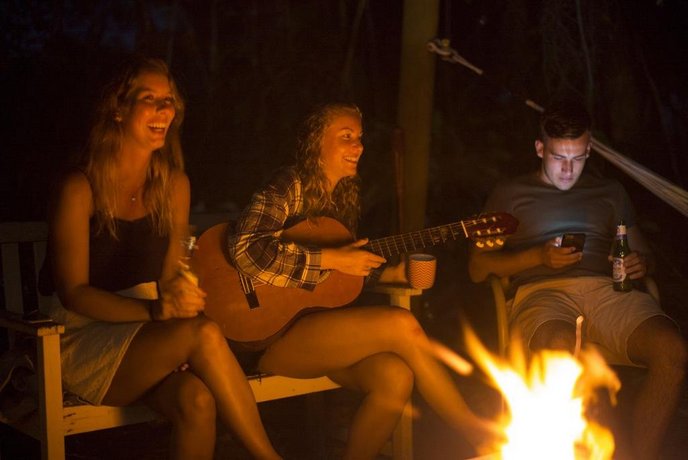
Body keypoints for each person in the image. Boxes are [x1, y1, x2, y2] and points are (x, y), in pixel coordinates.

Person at [226, 102, 498, 459]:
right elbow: (246, 248)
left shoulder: (343, 197)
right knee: (400, 323)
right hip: (266, 335)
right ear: (316, 142)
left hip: (314, 329)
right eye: (346, 136)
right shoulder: (290, 185)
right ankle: (476, 434)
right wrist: (333, 258)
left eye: (359, 137)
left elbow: (328, 282)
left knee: (395, 377)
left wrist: (386, 274)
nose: (358, 146)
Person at [40, 57, 281, 460]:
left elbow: (171, 276)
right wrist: (159, 316)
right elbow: (74, 294)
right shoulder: (78, 187)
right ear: (118, 109)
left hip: (147, 335)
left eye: (168, 100)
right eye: (148, 99)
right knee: (203, 334)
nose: (163, 109)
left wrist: (180, 302)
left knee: (196, 400)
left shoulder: (174, 186)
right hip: (80, 339)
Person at [468, 99, 687, 460]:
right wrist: (538, 257)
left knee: (672, 351)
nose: (568, 170)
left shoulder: (610, 192)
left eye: (578, 158)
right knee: (559, 344)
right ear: (540, 149)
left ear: (588, 151)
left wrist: (640, 264)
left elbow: (644, 254)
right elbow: (477, 268)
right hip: (542, 292)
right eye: (558, 157)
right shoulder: (510, 193)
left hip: (608, 293)